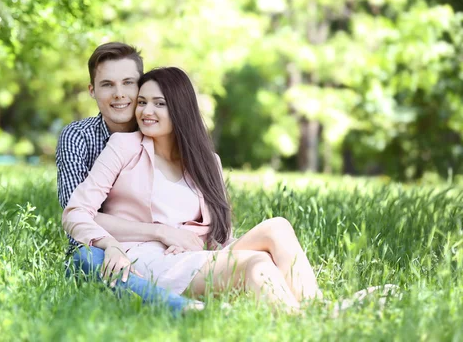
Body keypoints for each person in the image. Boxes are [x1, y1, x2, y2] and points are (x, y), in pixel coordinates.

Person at [62, 67, 323, 311]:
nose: (146, 111)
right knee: (255, 263)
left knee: (277, 228)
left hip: (197, 256)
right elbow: (76, 212)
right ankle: (304, 323)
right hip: (148, 260)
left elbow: (219, 237)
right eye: (142, 102)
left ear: (180, 108)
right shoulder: (124, 146)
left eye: (159, 103)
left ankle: (315, 312)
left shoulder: (208, 162)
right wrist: (152, 236)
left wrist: (193, 241)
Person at [56, 43, 199, 313]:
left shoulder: (161, 133)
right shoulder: (77, 137)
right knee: (87, 259)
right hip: (100, 248)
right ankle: (179, 307)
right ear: (92, 91)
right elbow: (78, 214)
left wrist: (179, 239)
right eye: (107, 84)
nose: (119, 94)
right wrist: (151, 234)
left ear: (140, 86)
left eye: (128, 83)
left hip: (166, 253)